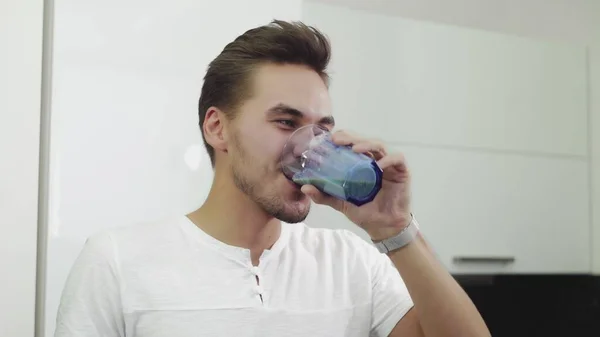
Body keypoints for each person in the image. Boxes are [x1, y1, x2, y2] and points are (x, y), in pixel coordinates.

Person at [55, 20, 490, 337]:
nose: (310, 147)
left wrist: (395, 229)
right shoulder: (116, 261)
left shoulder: (353, 262)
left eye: (322, 129)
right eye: (286, 122)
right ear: (217, 128)